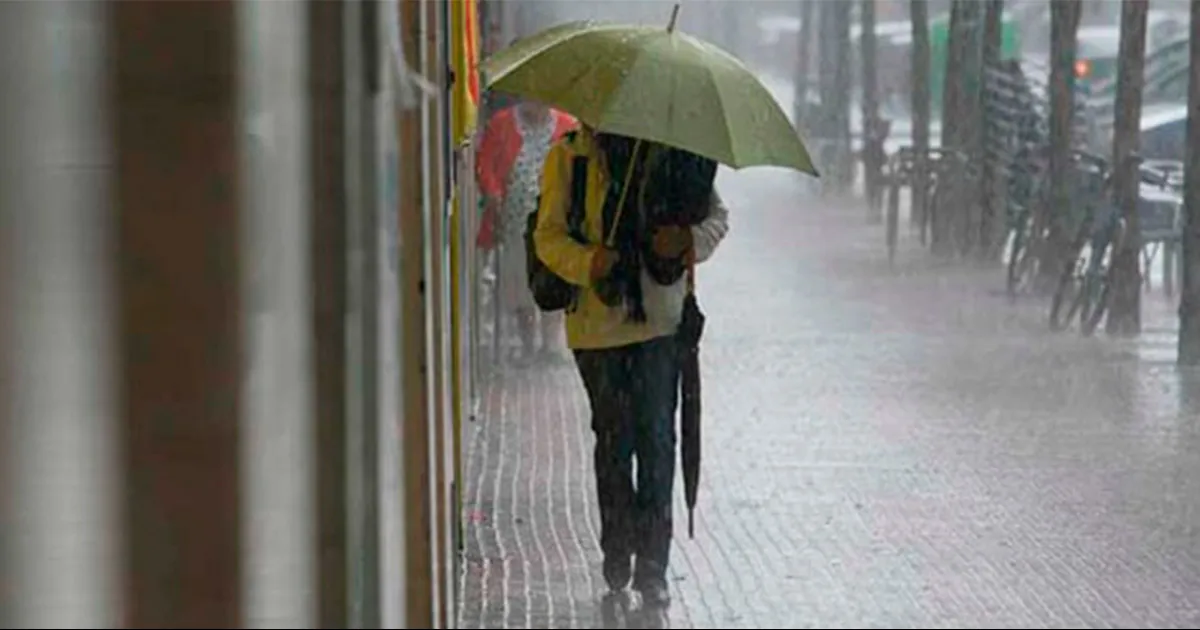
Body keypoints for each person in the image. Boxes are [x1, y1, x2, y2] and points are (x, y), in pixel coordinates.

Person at [533, 128, 729, 615]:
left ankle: (653, 570)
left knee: (658, 442)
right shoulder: (569, 157)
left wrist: (686, 239)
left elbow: (716, 218)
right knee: (615, 442)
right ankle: (617, 549)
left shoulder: (670, 151)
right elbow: (547, 236)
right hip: (596, 331)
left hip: (660, 325)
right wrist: (588, 262)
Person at [475, 99, 577, 364]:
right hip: (514, 223)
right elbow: (484, 164)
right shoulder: (502, 124)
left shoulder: (567, 126)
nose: (537, 104)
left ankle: (551, 344)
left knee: (552, 276)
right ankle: (529, 343)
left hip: (553, 221)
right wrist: (493, 193)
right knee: (519, 282)